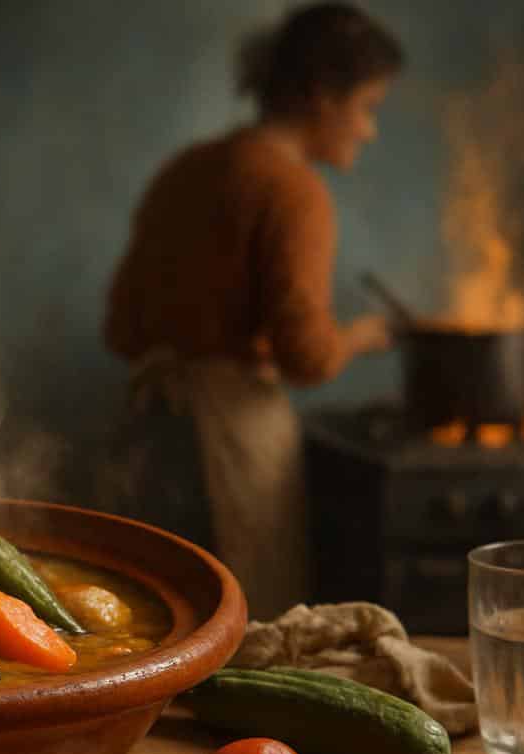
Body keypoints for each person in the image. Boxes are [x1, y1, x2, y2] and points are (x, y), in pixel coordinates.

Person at [104, 2, 403, 617]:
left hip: (151, 431)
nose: (371, 130)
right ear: (322, 94)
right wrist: (363, 337)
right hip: (238, 438)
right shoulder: (295, 192)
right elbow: (307, 357)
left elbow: (121, 326)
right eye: (368, 108)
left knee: (155, 613)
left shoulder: (187, 169)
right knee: (249, 628)